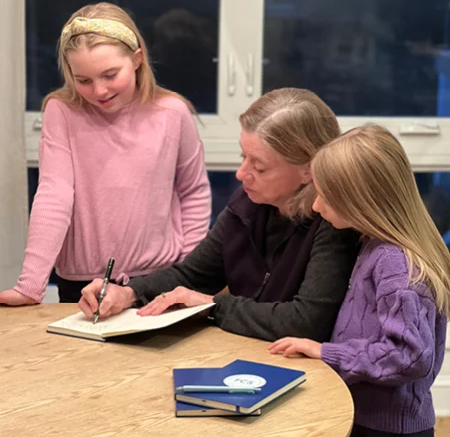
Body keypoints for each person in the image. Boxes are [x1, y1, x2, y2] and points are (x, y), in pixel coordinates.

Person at [79, 87, 360, 342]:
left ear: (308, 170)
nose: (241, 174)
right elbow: (193, 275)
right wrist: (128, 293)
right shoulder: (248, 204)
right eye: (243, 157)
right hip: (245, 352)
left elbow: (306, 322)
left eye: (259, 167)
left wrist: (212, 306)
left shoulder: (334, 223)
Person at [0, 2, 211, 306]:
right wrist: (31, 285)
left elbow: (193, 191)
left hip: (159, 277)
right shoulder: (61, 111)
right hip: (79, 283)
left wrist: (188, 272)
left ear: (137, 58)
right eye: (83, 80)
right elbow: (53, 194)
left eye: (110, 75)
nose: (99, 91)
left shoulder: (172, 112)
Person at [269, 125, 450, 436]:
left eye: (326, 195)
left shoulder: (395, 262)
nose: (315, 205)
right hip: (366, 417)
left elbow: (409, 356)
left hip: (386, 428)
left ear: (359, 199)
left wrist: (327, 353)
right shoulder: (373, 244)